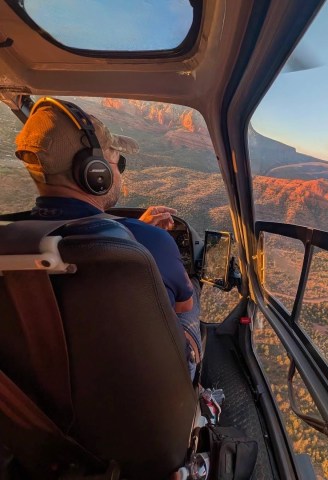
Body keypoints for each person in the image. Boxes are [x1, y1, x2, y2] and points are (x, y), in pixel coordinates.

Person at [14, 98, 202, 379]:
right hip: (133, 397)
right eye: (118, 162)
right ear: (95, 172)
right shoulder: (151, 242)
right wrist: (143, 236)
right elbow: (181, 306)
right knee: (193, 299)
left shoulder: (12, 243)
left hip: (40, 394)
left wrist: (132, 230)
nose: (120, 173)